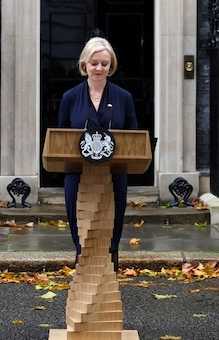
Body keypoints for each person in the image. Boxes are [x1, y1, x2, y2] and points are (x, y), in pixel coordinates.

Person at [57, 36, 138, 270]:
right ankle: (82, 260)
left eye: (104, 63)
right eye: (94, 63)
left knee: (112, 219)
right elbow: (60, 138)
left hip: (114, 172)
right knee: (79, 218)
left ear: (111, 66)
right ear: (85, 65)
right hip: (77, 172)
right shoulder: (70, 97)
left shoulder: (124, 97)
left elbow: (133, 137)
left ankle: (110, 261)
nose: (99, 68)